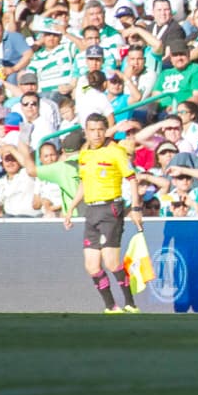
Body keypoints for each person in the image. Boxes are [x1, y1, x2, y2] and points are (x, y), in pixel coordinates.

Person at [62, 113, 144, 314]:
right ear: (86, 132)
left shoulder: (116, 152)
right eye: (92, 130)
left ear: (106, 130)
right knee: (91, 265)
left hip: (110, 208)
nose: (97, 134)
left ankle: (130, 304)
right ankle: (111, 307)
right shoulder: (85, 153)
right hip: (91, 210)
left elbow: (132, 179)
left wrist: (135, 208)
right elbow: (84, 182)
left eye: (100, 129)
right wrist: (71, 208)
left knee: (111, 261)